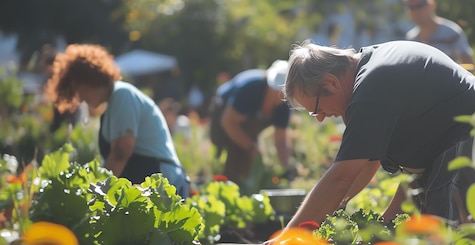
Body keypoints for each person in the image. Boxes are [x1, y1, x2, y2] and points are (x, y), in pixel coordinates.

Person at [272, 40, 475, 231]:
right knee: (434, 242)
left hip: (473, 135)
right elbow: (369, 163)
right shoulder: (369, 72)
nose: (321, 117)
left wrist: (289, 239)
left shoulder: (371, 89)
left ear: (331, 83)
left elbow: (341, 179)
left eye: (317, 108)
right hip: (453, 142)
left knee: (461, 239)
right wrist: (382, 225)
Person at [45, 44, 190, 198]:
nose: (81, 99)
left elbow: (122, 150)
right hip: (150, 186)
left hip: (165, 187)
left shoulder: (122, 95)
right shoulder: (112, 105)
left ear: (90, 80)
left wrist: (97, 196)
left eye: (79, 90)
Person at [209, 60, 295, 186]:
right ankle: (225, 187)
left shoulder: (284, 104)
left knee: (250, 163)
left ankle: (246, 189)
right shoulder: (251, 88)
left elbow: (281, 140)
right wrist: (251, 148)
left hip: (241, 122)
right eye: (276, 89)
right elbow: (228, 121)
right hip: (223, 114)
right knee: (233, 154)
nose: (279, 95)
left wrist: (286, 168)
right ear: (268, 83)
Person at [402, 0, 474, 65]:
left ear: (431, 4)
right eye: (411, 7)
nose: (416, 11)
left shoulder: (451, 32)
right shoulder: (411, 39)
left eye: (419, 6)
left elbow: (468, 64)